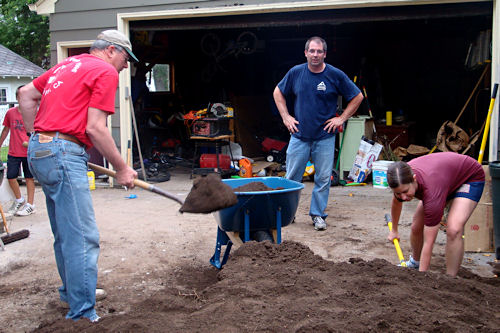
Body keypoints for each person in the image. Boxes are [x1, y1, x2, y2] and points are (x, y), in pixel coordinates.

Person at [18, 30, 138, 322]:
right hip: (62, 152)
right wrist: (122, 168)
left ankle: (74, 292)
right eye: (125, 58)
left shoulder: (65, 65)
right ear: (111, 50)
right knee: (83, 236)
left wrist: (39, 134)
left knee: (65, 233)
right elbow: (95, 128)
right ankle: (83, 313)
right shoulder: (104, 71)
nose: (126, 66)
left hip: (40, 152)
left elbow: (25, 94)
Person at [273, 36, 363, 231]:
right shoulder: (296, 73)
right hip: (299, 136)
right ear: (305, 53)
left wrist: (341, 118)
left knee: (322, 179)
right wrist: (286, 117)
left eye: (319, 51)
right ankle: (288, 214)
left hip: (324, 137)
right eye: (311, 51)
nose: (315, 55)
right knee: (292, 177)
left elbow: (357, 96)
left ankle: (317, 215)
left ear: (325, 54)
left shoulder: (334, 75)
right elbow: (277, 92)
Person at [386, 152, 485, 277]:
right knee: (416, 226)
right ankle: (415, 263)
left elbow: (429, 242)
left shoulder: (431, 192)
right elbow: (396, 202)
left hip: (468, 178)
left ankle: (450, 278)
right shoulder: (401, 177)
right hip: (444, 179)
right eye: (398, 193)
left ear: (414, 179)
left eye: (405, 192)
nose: (403, 197)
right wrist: (394, 230)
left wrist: (422, 279)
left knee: (454, 229)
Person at [0, 85, 36, 216]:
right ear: (16, 98)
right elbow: (5, 130)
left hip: (28, 151)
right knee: (10, 177)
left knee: (29, 178)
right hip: (13, 151)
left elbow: (39, 132)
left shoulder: (33, 113)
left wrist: (33, 144)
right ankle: (19, 200)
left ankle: (31, 205)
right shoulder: (11, 113)